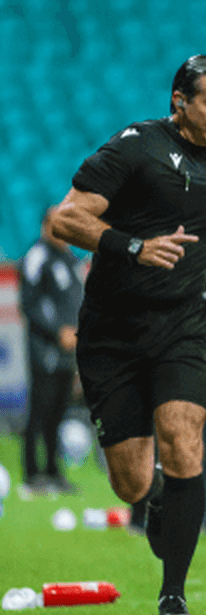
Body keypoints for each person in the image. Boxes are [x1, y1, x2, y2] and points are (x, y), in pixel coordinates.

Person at [47, 54, 206, 615]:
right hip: (112, 331)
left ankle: (174, 596)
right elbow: (68, 218)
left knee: (182, 434)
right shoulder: (135, 147)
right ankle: (160, 496)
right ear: (179, 101)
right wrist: (134, 246)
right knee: (130, 482)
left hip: (185, 325)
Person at [17, 209, 85, 497]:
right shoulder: (37, 256)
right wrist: (58, 330)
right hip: (44, 347)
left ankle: (54, 471)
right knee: (40, 408)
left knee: (59, 408)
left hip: (69, 348)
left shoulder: (70, 259)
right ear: (47, 226)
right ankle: (33, 474)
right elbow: (29, 304)